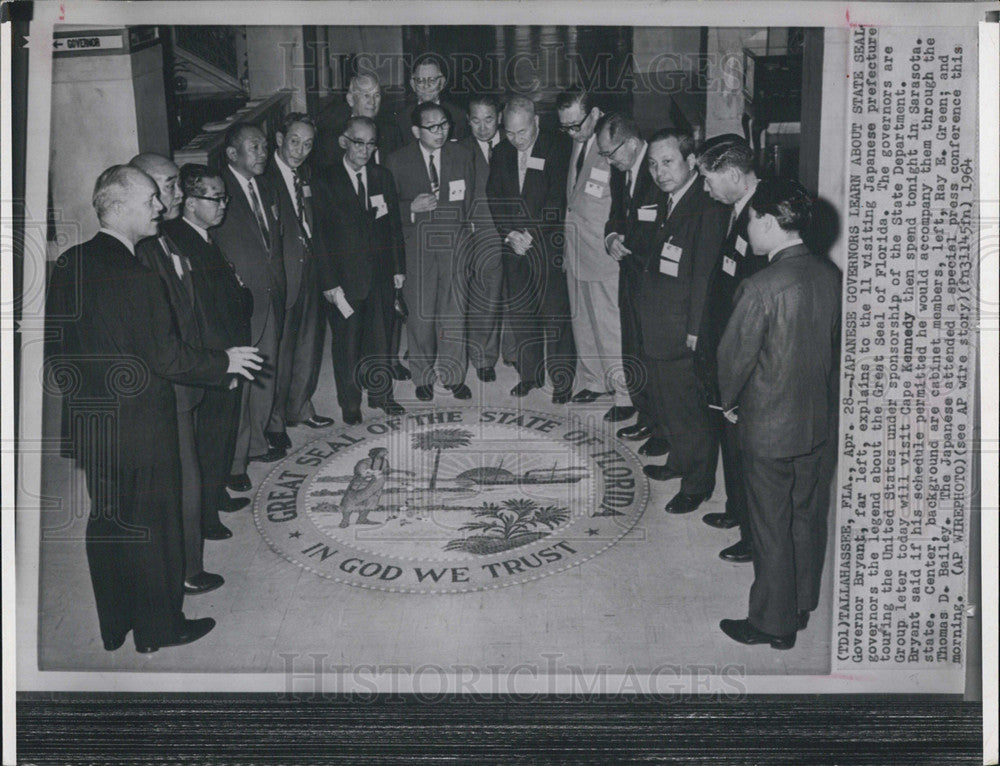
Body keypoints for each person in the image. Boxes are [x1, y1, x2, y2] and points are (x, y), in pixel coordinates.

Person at [45, 165, 261, 653]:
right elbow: (168, 357)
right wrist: (224, 359)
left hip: (91, 423)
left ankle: (115, 626)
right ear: (117, 207)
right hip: (141, 426)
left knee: (109, 522)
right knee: (154, 529)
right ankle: (159, 630)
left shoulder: (69, 262)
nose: (161, 208)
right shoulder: (138, 275)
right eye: (150, 201)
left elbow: (56, 352)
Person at [717, 178, 841, 650]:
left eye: (751, 219)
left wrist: (727, 403)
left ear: (767, 222)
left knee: (769, 527)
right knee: (806, 516)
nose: (748, 227)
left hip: (768, 428)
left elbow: (733, 361)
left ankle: (773, 624)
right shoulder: (828, 273)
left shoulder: (760, 286)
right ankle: (802, 603)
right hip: (816, 423)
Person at [129, 153, 226, 596]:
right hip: (170, 385)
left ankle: (189, 559)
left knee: (191, 475)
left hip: (189, 377)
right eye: (169, 186)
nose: (178, 193)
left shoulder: (165, 237)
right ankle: (186, 570)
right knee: (181, 482)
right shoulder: (145, 249)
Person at [636, 129, 728, 515]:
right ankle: (678, 461)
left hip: (681, 332)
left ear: (691, 161)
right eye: (654, 164)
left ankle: (697, 482)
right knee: (667, 403)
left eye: (668, 161)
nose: (659, 171)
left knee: (689, 410)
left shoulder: (706, 208)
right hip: (658, 325)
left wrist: (694, 331)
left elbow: (705, 276)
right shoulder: (666, 199)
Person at [165, 164, 254, 536]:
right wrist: (223, 362)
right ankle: (204, 517)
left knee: (223, 433)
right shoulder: (179, 240)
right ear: (188, 202)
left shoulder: (202, 235)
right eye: (214, 198)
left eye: (224, 197)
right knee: (209, 439)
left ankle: (216, 494)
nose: (222, 205)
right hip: (215, 357)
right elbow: (197, 312)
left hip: (229, 352)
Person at [695, 135, 769, 563]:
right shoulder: (735, 210)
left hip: (745, 352)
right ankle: (736, 509)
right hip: (726, 346)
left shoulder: (763, 217)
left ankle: (755, 536)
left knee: (748, 448)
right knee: (730, 437)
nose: (705, 188)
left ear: (734, 175)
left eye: (708, 180)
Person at [315, 116, 406, 423]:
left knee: (381, 341)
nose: (364, 150)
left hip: (380, 277)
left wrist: (398, 268)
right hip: (344, 281)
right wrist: (328, 282)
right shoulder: (325, 179)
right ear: (345, 141)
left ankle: (382, 396)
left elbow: (393, 227)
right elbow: (320, 237)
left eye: (370, 144)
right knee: (348, 345)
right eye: (358, 142)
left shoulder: (382, 176)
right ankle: (350, 404)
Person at [486, 95, 575, 403]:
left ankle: (562, 380)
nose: (517, 139)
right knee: (522, 315)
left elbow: (556, 201)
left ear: (536, 122)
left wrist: (529, 235)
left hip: (547, 247)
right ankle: (530, 375)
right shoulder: (501, 152)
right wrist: (510, 233)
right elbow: (494, 196)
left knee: (555, 318)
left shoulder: (558, 148)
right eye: (509, 132)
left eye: (522, 132)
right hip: (514, 248)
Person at [213, 122, 286, 492]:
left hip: (270, 293)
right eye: (253, 148)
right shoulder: (217, 191)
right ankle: (235, 461)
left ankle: (258, 441)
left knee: (264, 372)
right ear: (232, 154)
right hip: (239, 301)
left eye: (262, 146)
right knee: (238, 383)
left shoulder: (267, 184)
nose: (261, 154)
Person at [385, 101, 475, 401]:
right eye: (432, 127)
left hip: (453, 246)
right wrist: (409, 207)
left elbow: (470, 202)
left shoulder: (462, 155)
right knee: (421, 317)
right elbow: (382, 212)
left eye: (444, 125)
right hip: (417, 249)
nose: (440, 132)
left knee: (454, 316)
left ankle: (453, 376)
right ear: (415, 131)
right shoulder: (397, 161)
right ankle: (422, 376)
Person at [557, 89, 631, 422]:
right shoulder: (575, 141)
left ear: (595, 113)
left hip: (603, 254)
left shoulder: (612, 147)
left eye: (576, 125)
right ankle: (595, 380)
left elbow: (624, 203)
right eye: (566, 128)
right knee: (583, 322)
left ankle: (625, 394)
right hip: (575, 249)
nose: (572, 133)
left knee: (609, 326)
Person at [264, 113, 334, 452]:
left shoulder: (306, 173)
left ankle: (300, 407)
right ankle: (274, 422)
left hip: (311, 270)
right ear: (279, 139)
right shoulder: (265, 177)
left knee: (310, 343)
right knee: (281, 351)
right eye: (294, 141)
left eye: (307, 144)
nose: (301, 150)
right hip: (283, 276)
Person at [599, 113, 658, 449]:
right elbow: (617, 215)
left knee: (655, 356)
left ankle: (662, 427)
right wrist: (611, 237)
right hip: (629, 276)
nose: (608, 160)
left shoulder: (659, 170)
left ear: (633, 144)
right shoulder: (621, 172)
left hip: (654, 282)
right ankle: (646, 416)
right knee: (633, 349)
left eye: (611, 153)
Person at [458, 94, 506, 383]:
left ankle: (513, 352)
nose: (483, 126)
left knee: (514, 297)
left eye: (488, 119)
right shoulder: (461, 150)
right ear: (468, 121)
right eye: (476, 120)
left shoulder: (514, 142)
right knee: (485, 298)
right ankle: (483, 358)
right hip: (483, 232)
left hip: (517, 231)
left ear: (498, 117)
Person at [312, 72, 402, 169]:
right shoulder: (334, 135)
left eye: (376, 95)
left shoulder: (391, 133)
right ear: (350, 99)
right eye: (366, 95)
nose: (372, 102)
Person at [396, 54, 467, 144]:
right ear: (413, 84)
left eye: (432, 80)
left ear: (442, 83)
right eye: (420, 81)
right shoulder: (401, 118)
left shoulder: (458, 116)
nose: (426, 85)